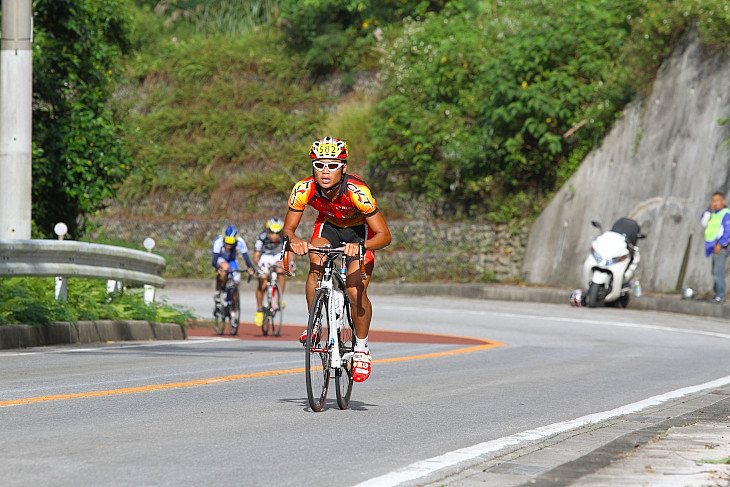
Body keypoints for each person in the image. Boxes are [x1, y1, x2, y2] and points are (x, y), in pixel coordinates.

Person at [283, 136, 392, 382]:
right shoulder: (303, 189)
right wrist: (295, 241)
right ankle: (314, 324)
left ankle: (362, 349)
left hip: (361, 232)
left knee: (355, 292)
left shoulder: (357, 192)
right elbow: (288, 229)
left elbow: (385, 236)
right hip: (329, 227)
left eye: (332, 165)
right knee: (316, 260)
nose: (325, 171)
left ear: (343, 168)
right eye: (319, 164)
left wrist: (361, 246)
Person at [252, 217, 292, 326]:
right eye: (272, 233)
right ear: (267, 230)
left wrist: (290, 263)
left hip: (277, 255)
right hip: (265, 256)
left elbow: (290, 253)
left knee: (280, 271)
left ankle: (279, 298)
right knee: (263, 281)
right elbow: (256, 256)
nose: (274, 235)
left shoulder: (284, 237)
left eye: (277, 233)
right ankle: (259, 310)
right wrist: (259, 266)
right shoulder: (261, 237)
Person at [211, 225, 255, 317]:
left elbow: (246, 257)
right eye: (227, 243)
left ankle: (233, 308)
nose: (228, 246)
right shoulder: (218, 241)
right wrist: (218, 269)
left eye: (231, 243)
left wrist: (250, 267)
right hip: (221, 259)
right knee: (224, 268)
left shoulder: (240, 241)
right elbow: (214, 261)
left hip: (232, 260)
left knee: (236, 282)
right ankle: (218, 291)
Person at [700, 192, 730, 303]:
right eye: (713, 200)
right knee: (714, 272)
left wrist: (720, 244)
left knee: (718, 272)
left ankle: (720, 296)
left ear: (723, 201)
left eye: (717, 200)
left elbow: (728, 232)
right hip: (713, 246)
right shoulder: (713, 213)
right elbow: (703, 223)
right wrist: (709, 211)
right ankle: (717, 294)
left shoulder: (726, 214)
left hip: (720, 247)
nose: (715, 203)